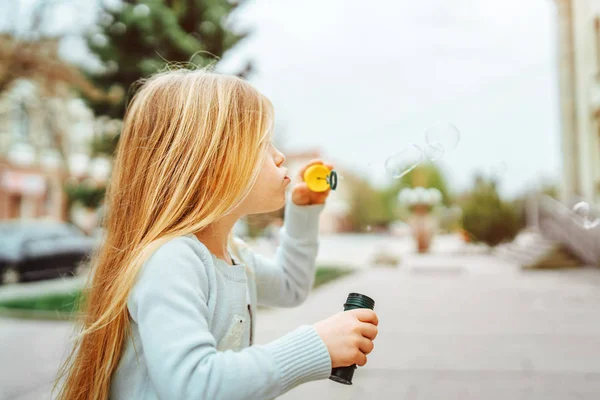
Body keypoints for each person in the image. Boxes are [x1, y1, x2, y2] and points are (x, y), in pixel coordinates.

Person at [54, 69, 379, 400]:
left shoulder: (230, 255)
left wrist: (303, 213)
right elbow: (195, 385)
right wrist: (316, 346)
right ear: (211, 164)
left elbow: (290, 287)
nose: (279, 156)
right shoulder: (172, 260)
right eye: (263, 143)